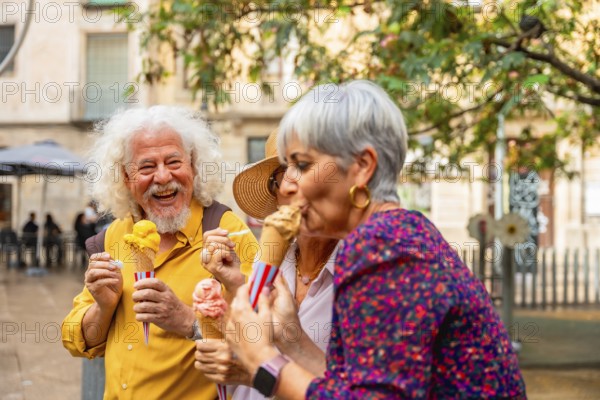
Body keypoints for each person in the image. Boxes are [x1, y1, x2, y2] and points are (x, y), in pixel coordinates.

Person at [225, 81, 527, 399]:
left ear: (362, 166)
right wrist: (291, 337)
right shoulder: (402, 232)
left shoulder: (380, 244)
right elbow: (358, 385)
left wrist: (262, 362)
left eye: (302, 165)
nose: (286, 185)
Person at [61, 106, 259, 399]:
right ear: (126, 179)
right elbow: (77, 341)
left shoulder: (227, 232)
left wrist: (187, 321)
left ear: (193, 166)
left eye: (174, 161)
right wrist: (102, 308)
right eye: (147, 167)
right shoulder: (114, 236)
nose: (164, 177)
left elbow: (264, 337)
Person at [194, 130, 339, 399]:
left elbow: (361, 390)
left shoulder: (361, 271)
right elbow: (249, 341)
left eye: (306, 169)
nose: (289, 187)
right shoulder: (271, 257)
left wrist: (257, 371)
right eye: (281, 177)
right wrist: (233, 282)